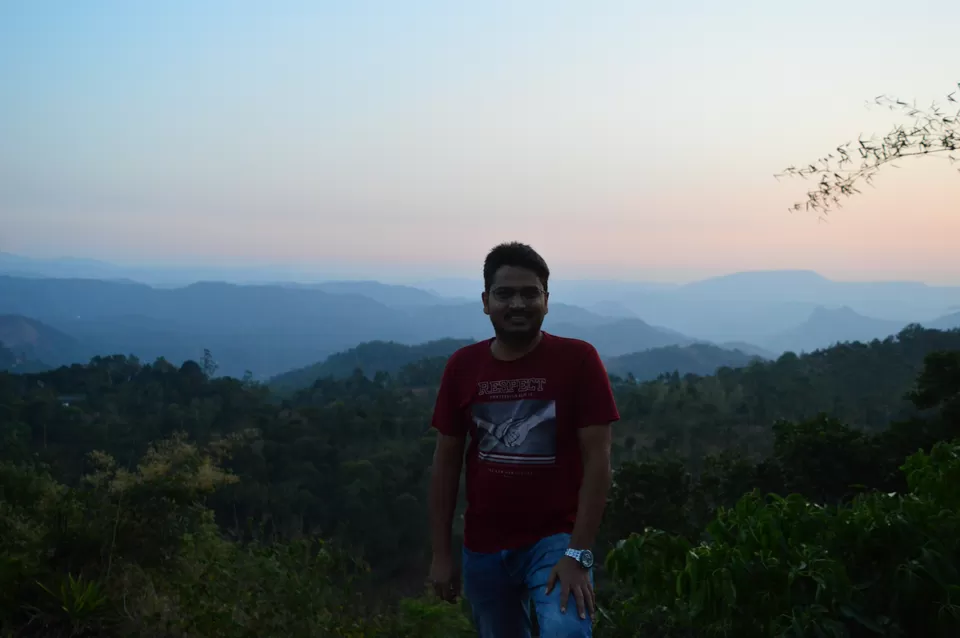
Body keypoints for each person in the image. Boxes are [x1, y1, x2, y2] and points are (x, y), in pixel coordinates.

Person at [427, 242, 620, 638]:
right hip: (483, 546)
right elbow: (446, 463)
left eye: (530, 293)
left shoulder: (578, 360)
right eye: (505, 293)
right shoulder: (462, 367)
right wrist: (441, 554)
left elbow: (599, 463)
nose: (518, 303)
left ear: (547, 301)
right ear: (485, 301)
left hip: (554, 540)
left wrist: (577, 553)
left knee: (565, 631)